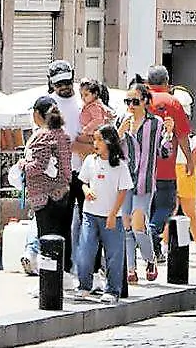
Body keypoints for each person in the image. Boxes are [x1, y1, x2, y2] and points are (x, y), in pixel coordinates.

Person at [75, 124, 131, 303]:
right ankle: (84, 285)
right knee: (85, 250)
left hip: (112, 215)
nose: (96, 143)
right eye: (95, 139)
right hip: (90, 214)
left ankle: (113, 290)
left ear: (109, 142)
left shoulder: (120, 165)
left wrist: (114, 214)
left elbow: (123, 191)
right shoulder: (90, 160)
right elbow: (83, 182)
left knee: (114, 254)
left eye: (100, 139)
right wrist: (86, 191)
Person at [118, 83, 168, 283]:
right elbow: (111, 148)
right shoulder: (122, 120)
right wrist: (120, 132)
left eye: (135, 101)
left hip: (144, 181)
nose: (131, 105)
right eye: (127, 101)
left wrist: (169, 136)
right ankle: (131, 268)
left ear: (145, 102)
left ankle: (149, 258)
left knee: (139, 225)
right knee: (126, 225)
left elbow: (164, 152)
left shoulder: (155, 123)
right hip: (124, 180)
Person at [143, 66, 193, 258]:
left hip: (142, 168)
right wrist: (189, 160)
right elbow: (182, 136)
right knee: (166, 206)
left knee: (148, 207)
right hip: (165, 168)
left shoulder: (140, 100)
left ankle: (153, 252)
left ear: (148, 83)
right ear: (167, 82)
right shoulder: (173, 102)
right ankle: (152, 234)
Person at [46, 60, 88, 273]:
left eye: (67, 82)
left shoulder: (84, 100)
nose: (64, 87)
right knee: (62, 222)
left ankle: (92, 268)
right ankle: (63, 268)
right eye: (59, 83)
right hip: (59, 174)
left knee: (90, 221)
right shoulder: (48, 103)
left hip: (85, 171)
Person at [18, 96, 72, 259]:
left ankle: (48, 282)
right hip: (62, 194)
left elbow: (38, 167)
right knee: (61, 238)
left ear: (37, 114)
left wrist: (22, 165)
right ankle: (63, 276)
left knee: (47, 242)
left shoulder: (42, 136)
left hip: (45, 198)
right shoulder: (63, 135)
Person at [165, 124, 196, 253]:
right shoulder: (192, 139)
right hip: (186, 172)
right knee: (190, 212)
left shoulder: (168, 138)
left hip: (171, 171)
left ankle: (164, 242)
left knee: (170, 210)